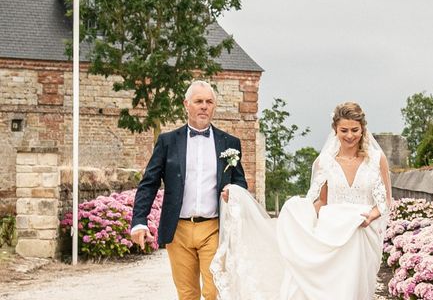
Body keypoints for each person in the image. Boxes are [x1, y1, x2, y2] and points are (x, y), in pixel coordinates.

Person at [210, 101, 392, 300]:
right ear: (335, 130)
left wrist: (370, 216)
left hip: (362, 236)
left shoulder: (376, 159)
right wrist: (298, 214)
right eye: (344, 130)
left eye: (355, 130)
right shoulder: (325, 162)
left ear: (363, 129)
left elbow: (385, 201)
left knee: (355, 291)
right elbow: (322, 201)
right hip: (332, 236)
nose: (350, 136)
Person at [131, 80, 248, 300]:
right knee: (187, 294)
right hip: (179, 230)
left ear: (214, 106)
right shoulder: (167, 141)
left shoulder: (230, 143)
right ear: (187, 104)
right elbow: (149, 183)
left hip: (214, 228)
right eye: (198, 101)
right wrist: (139, 220)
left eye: (209, 102)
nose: (204, 106)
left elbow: (240, 183)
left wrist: (233, 191)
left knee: (215, 291)